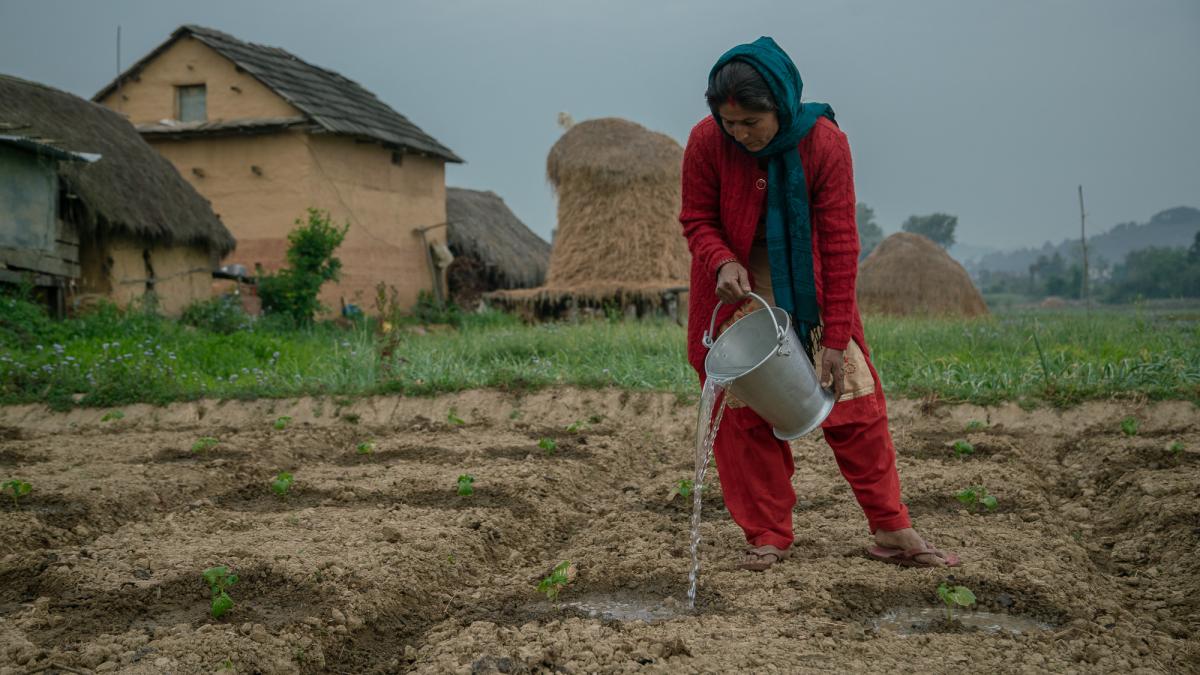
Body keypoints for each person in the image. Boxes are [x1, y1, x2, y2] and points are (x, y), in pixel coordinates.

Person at [680, 36, 959, 571]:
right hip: (736, 281)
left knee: (853, 398)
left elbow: (838, 241)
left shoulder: (825, 143)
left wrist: (834, 337)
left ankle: (891, 527)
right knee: (744, 409)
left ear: (780, 108)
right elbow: (697, 219)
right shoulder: (705, 141)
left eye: (750, 124)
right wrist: (721, 261)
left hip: (809, 279)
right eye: (729, 124)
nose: (738, 135)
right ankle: (766, 534)